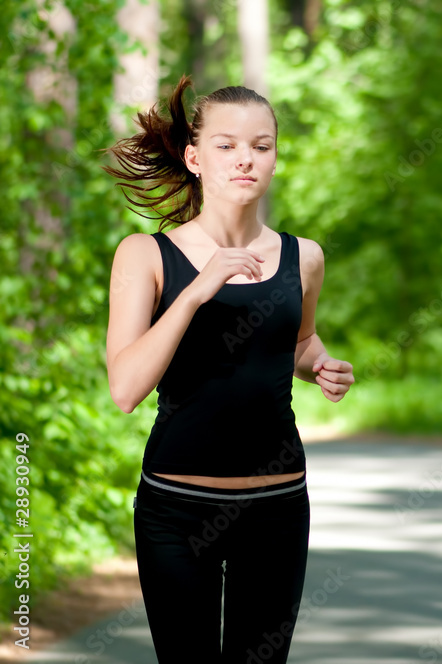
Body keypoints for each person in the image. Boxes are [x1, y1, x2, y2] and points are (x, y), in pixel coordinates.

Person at [103, 74, 355, 663]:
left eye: (261, 146)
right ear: (194, 156)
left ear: (274, 159)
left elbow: (298, 341)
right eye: (226, 145)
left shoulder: (304, 256)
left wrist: (320, 364)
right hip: (177, 509)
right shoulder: (147, 255)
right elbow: (125, 388)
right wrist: (197, 290)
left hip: (278, 507)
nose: (245, 159)